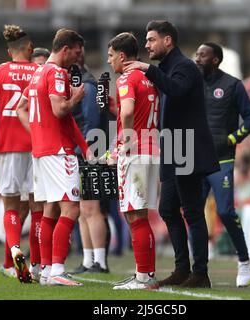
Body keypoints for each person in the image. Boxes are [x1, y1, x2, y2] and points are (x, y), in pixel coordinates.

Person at [124, 20, 220, 288]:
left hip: (187, 148)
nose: (146, 45)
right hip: (173, 149)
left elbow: (176, 91)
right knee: (167, 208)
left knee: (191, 211)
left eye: (151, 39)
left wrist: (146, 69)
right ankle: (182, 269)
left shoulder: (185, 67)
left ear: (168, 41)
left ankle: (200, 273)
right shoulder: (167, 69)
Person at [16, 28, 88, 286]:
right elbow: (61, 110)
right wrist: (76, 97)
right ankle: (57, 269)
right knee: (71, 208)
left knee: (49, 210)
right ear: (65, 49)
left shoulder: (38, 73)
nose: (77, 59)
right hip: (58, 152)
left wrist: (36, 134)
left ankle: (46, 270)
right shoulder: (56, 72)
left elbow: (20, 108)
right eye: (76, 53)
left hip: (42, 152)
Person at [0, 25, 42, 283]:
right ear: (29, 48)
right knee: (39, 207)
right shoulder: (41, 71)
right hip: (39, 147)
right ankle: (38, 265)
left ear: (9, 50)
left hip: (8, 147)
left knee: (11, 206)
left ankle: (16, 254)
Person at [194, 42, 250, 287]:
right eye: (197, 55)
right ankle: (199, 269)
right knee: (193, 212)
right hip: (197, 159)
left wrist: (232, 139)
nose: (197, 59)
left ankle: (243, 261)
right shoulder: (193, 84)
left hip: (222, 160)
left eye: (202, 55)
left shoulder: (233, 85)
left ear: (215, 60)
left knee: (225, 211)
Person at [107, 32, 160, 290]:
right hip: (152, 150)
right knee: (140, 214)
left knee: (133, 213)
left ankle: (144, 278)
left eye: (110, 55)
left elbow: (128, 111)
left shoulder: (127, 77)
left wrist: (125, 143)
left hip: (135, 152)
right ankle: (145, 275)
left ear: (122, 55)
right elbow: (134, 111)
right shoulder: (149, 78)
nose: (109, 61)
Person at [70, 47, 110, 274]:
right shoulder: (82, 84)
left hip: (89, 153)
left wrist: (86, 150)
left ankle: (101, 262)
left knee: (92, 208)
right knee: (83, 209)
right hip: (82, 152)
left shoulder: (87, 86)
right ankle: (88, 260)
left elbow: (92, 124)